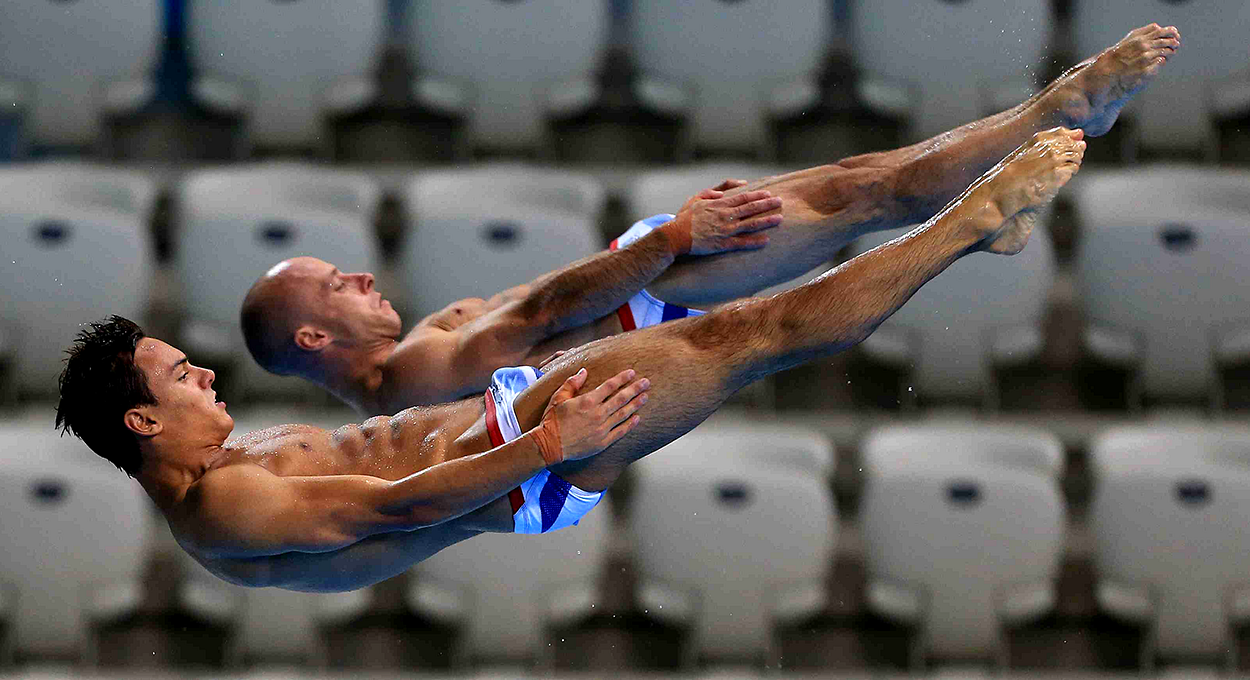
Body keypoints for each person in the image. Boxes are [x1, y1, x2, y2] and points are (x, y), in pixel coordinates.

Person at [58, 126, 1085, 592]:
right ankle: (971, 218)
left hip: (507, 431)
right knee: (745, 339)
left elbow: (513, 323)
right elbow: (397, 506)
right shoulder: (220, 511)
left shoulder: (241, 459)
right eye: (175, 374)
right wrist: (544, 437)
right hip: (516, 456)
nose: (199, 374)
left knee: (746, 303)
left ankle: (957, 196)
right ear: (140, 420)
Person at [240, 24, 1179, 415]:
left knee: (859, 186)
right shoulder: (410, 375)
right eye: (336, 285)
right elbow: (533, 323)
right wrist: (671, 242)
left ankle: (1048, 121)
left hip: (634, 292)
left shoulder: (402, 378)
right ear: (316, 335)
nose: (361, 276)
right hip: (647, 309)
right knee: (861, 201)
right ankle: (1040, 134)